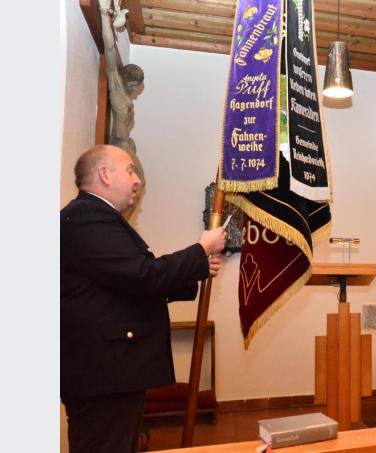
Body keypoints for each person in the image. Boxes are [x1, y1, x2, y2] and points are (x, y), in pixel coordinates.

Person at [61, 145, 227, 452]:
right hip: (104, 374)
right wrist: (200, 250)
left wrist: (196, 269)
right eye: (130, 170)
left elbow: (128, 283)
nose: (137, 179)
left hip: (113, 372)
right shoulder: (86, 217)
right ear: (104, 174)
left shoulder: (98, 217)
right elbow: (142, 275)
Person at [100, 0, 146, 183]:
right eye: (135, 85)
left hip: (125, 143)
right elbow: (109, 48)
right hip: (118, 143)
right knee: (138, 182)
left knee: (137, 183)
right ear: (128, 81)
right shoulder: (117, 88)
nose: (135, 90)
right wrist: (104, 14)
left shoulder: (126, 96)